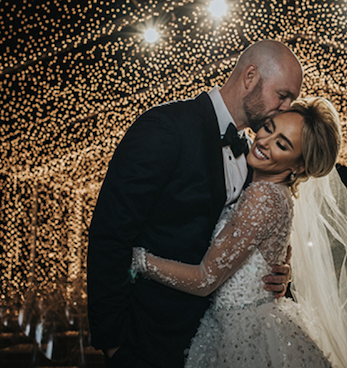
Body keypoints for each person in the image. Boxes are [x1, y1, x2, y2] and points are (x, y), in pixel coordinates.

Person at [87, 40, 304, 367]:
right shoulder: (165, 128)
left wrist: (272, 272)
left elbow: (241, 240)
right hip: (148, 339)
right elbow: (110, 235)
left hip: (212, 343)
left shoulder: (254, 156)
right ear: (250, 77)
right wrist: (114, 344)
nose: (286, 108)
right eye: (283, 95)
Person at [131, 97, 347, 368]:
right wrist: (283, 271)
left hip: (242, 332)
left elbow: (205, 280)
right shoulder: (276, 193)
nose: (264, 142)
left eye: (282, 144)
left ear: (299, 166)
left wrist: (137, 260)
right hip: (254, 321)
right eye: (268, 127)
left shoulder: (263, 196)